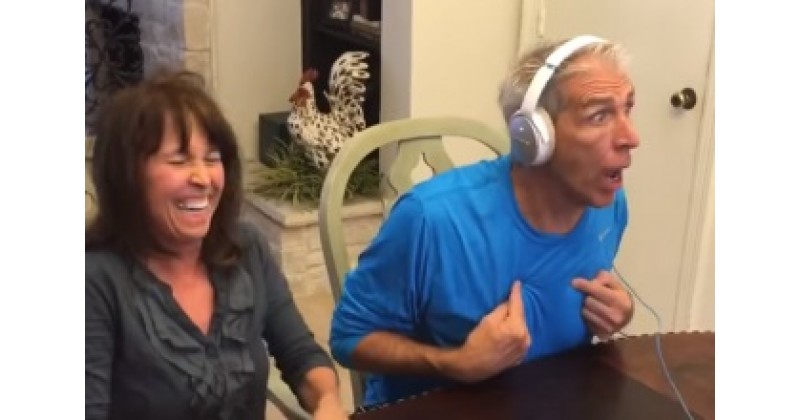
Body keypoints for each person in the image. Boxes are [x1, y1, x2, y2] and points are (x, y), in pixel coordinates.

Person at [329, 35, 639, 407]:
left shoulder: (609, 206)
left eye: (627, 109)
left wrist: (619, 312)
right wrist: (454, 363)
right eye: (599, 116)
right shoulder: (431, 219)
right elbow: (348, 338)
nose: (631, 137)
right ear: (535, 136)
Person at [85, 70, 348, 420]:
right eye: (179, 161)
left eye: (212, 159)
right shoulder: (94, 280)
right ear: (128, 177)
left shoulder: (246, 248)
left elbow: (301, 355)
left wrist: (327, 401)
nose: (203, 178)